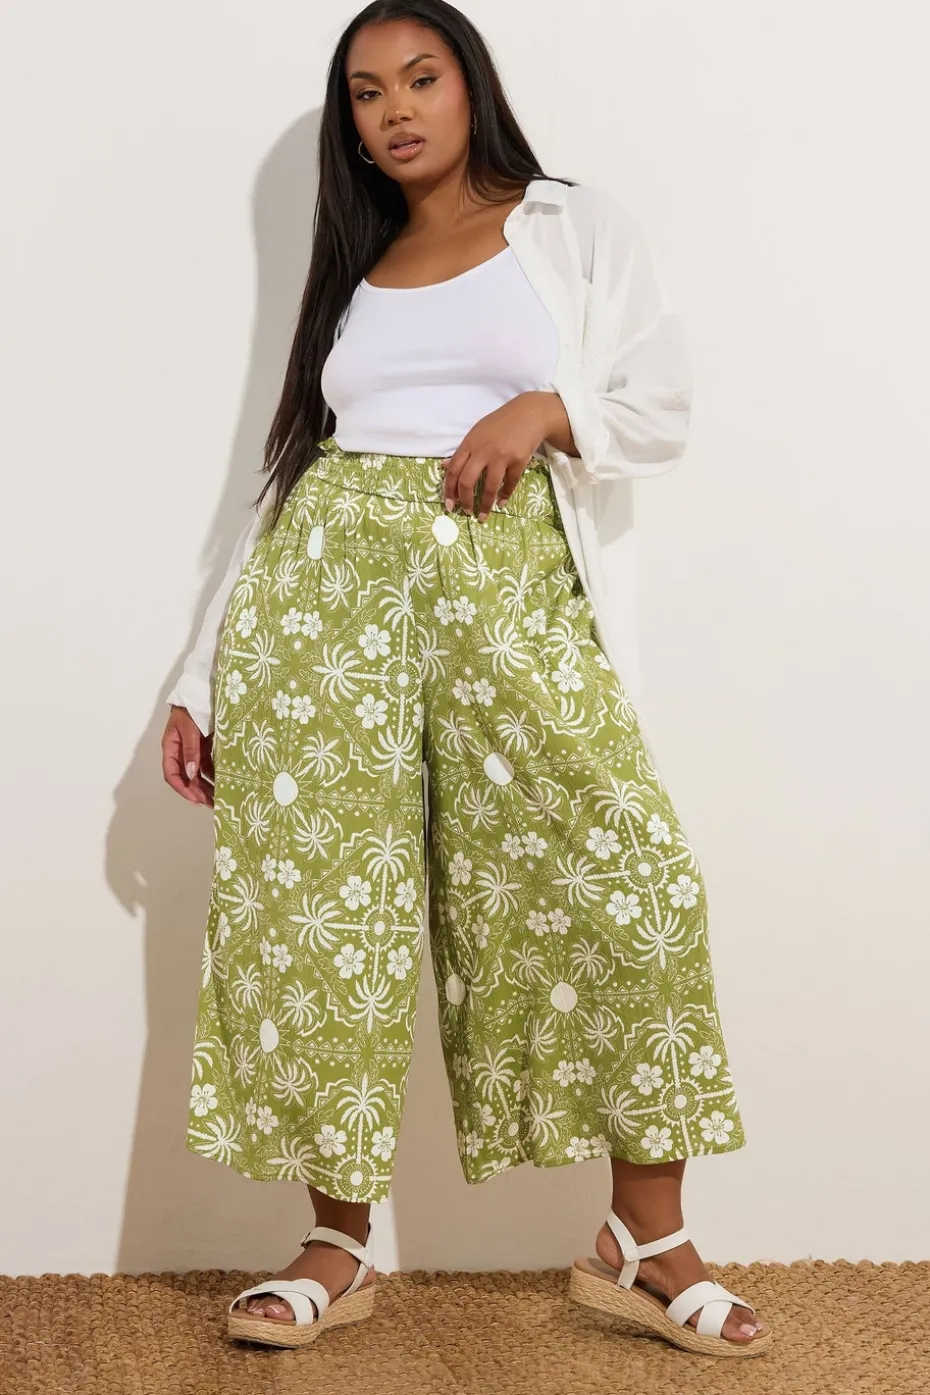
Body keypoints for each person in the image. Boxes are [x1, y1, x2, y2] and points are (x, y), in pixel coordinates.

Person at [161, 0, 770, 1359]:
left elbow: (659, 401)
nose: (395, 109)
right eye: (367, 92)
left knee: (630, 879)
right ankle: (336, 1243)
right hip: (326, 603)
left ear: (469, 84)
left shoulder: (570, 225)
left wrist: (544, 410)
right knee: (328, 913)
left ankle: (646, 1239)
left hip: (509, 594)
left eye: (420, 77)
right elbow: (284, 472)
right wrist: (198, 677)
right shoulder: (356, 261)